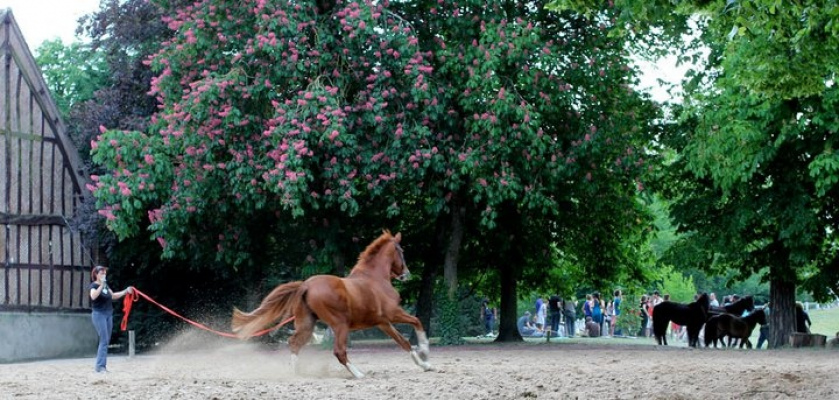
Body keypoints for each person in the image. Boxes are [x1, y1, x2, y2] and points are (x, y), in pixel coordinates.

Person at [89, 265, 133, 373]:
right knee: (104, 340)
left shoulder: (106, 286)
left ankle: (101, 366)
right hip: (99, 315)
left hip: (108, 314)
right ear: (96, 275)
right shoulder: (93, 285)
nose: (104, 275)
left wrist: (125, 291)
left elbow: (113, 296)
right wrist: (101, 285)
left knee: (106, 340)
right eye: (101, 273)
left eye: (105, 273)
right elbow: (93, 296)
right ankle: (100, 367)